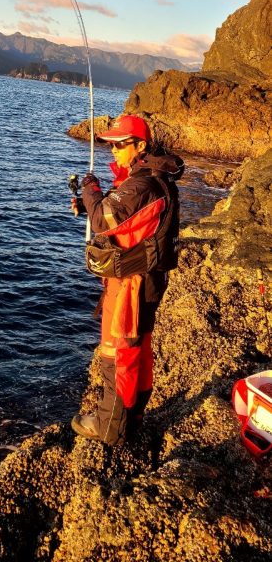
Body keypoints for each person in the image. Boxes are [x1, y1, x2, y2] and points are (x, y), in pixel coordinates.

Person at [71, 114, 184, 446]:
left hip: (133, 284)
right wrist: (89, 202)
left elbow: (104, 218)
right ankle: (132, 416)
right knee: (139, 349)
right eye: (111, 145)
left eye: (120, 145)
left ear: (140, 146)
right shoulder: (152, 180)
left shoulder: (143, 184)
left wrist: (90, 188)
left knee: (117, 351)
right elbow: (128, 220)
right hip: (149, 279)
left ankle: (109, 428)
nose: (113, 151)